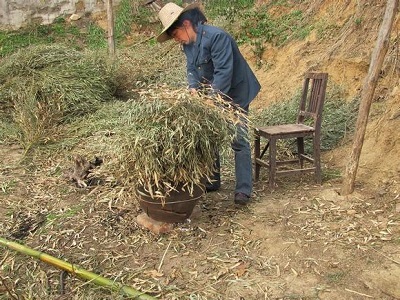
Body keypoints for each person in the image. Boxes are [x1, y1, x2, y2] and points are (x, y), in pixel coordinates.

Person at [156, 2, 261, 205]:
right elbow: (192, 70)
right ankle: (212, 180)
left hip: (236, 92)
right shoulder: (187, 45)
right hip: (213, 93)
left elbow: (223, 74)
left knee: (238, 139)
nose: (176, 39)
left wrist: (209, 102)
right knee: (209, 136)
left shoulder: (217, 37)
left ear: (186, 24)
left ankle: (243, 190)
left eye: (176, 34)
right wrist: (193, 89)